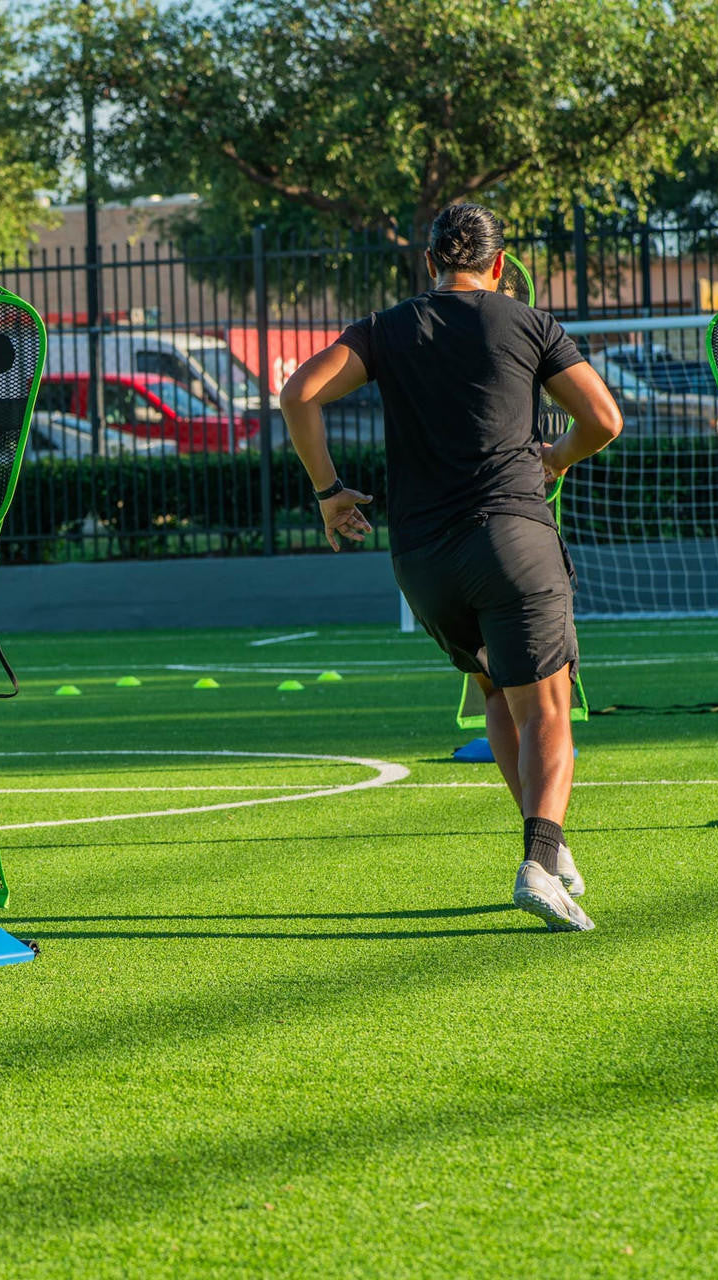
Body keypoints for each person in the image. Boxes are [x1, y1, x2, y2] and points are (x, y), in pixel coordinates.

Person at [279, 203, 622, 931]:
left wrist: (330, 494)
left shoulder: (385, 327)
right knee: (549, 705)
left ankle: (548, 845)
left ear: (429, 263)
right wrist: (557, 458)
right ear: (498, 265)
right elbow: (604, 420)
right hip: (512, 540)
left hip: (423, 560)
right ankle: (538, 862)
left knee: (495, 688)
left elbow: (298, 393)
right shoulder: (528, 322)